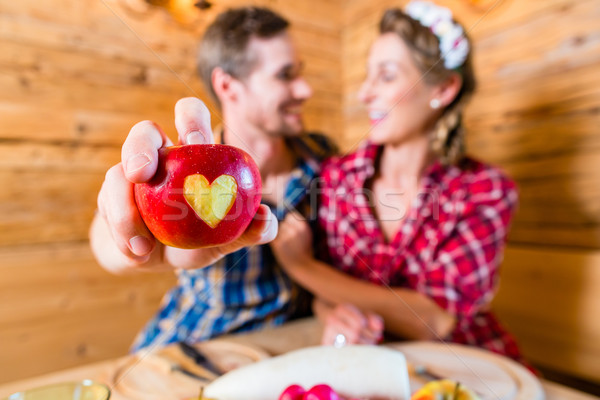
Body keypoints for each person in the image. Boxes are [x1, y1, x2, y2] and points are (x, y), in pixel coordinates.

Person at [271, 1, 525, 363]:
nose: (364, 94)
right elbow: (329, 292)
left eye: (386, 76)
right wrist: (332, 314)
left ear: (444, 88)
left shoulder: (486, 190)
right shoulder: (336, 177)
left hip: (465, 366)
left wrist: (302, 267)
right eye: (367, 75)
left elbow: (433, 320)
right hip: (370, 365)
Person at [90, 7, 335, 351]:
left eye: (301, 73)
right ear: (227, 85)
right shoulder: (173, 169)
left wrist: (331, 305)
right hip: (191, 346)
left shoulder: (322, 158)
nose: (305, 89)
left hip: (285, 349)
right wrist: (128, 240)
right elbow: (103, 238)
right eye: (285, 75)